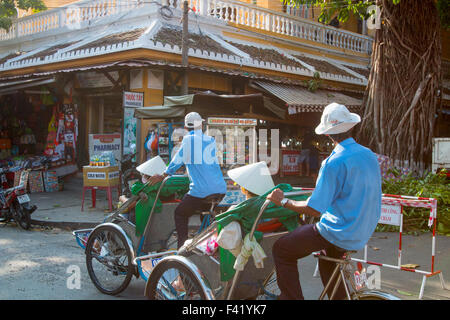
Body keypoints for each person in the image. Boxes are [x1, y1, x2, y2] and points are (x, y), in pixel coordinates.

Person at [266, 102, 382, 300]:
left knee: (282, 249)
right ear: (351, 127)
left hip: (338, 231)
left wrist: (283, 201)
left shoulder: (333, 162)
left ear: (327, 134)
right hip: (362, 230)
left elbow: (314, 208)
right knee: (327, 261)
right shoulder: (369, 155)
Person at [148, 112, 227, 249]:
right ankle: (206, 245)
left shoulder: (188, 139)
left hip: (202, 190)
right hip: (220, 189)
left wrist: (164, 174)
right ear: (201, 125)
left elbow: (178, 159)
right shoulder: (210, 140)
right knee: (205, 214)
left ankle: (182, 247)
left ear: (186, 127)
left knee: (180, 213)